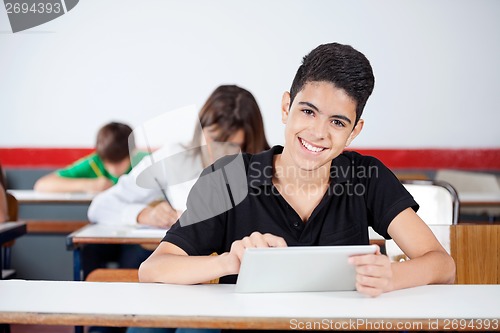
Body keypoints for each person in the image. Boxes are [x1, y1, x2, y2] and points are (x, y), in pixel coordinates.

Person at [139, 42, 456, 306]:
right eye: (308, 112)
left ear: (354, 131)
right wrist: (230, 262)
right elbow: (154, 268)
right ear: (285, 107)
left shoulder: (367, 176)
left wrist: (392, 276)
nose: (318, 133)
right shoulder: (227, 177)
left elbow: (442, 264)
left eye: (337, 122)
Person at [86, 85, 270, 333]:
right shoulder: (174, 158)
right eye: (214, 140)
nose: (220, 154)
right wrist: (143, 214)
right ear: (200, 130)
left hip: (233, 284)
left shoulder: (267, 167)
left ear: (251, 142)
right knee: (142, 329)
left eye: (233, 145)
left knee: (195, 329)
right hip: (178, 278)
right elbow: (101, 206)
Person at [34, 121, 141, 193]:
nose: (113, 169)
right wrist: (88, 185)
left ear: (133, 153)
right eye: (108, 162)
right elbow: (41, 185)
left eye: (119, 163)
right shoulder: (94, 162)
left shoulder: (142, 162)